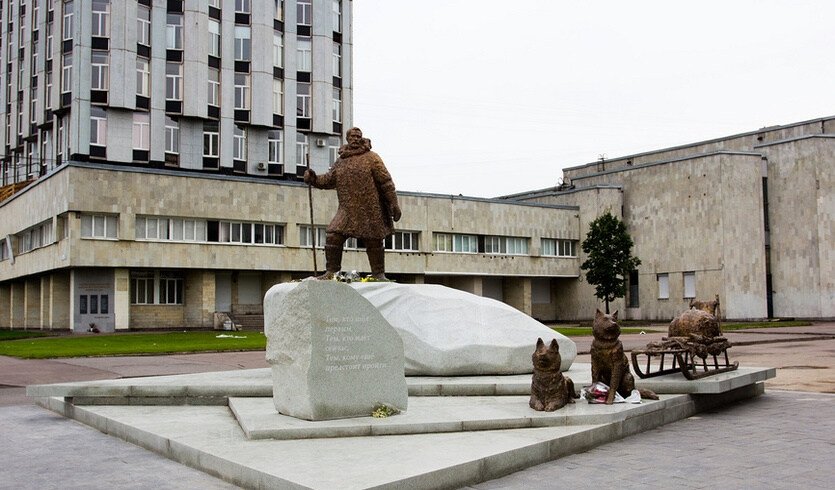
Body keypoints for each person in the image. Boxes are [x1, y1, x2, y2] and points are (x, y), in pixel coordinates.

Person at [303, 127, 401, 280]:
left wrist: (394, 203)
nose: (355, 139)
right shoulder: (341, 161)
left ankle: (378, 274)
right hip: (347, 210)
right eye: (353, 136)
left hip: (370, 208)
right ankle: (331, 272)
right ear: (347, 138)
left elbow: (386, 182)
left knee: (374, 241)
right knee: (333, 235)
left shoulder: (372, 158)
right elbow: (329, 180)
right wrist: (314, 179)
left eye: (358, 136)